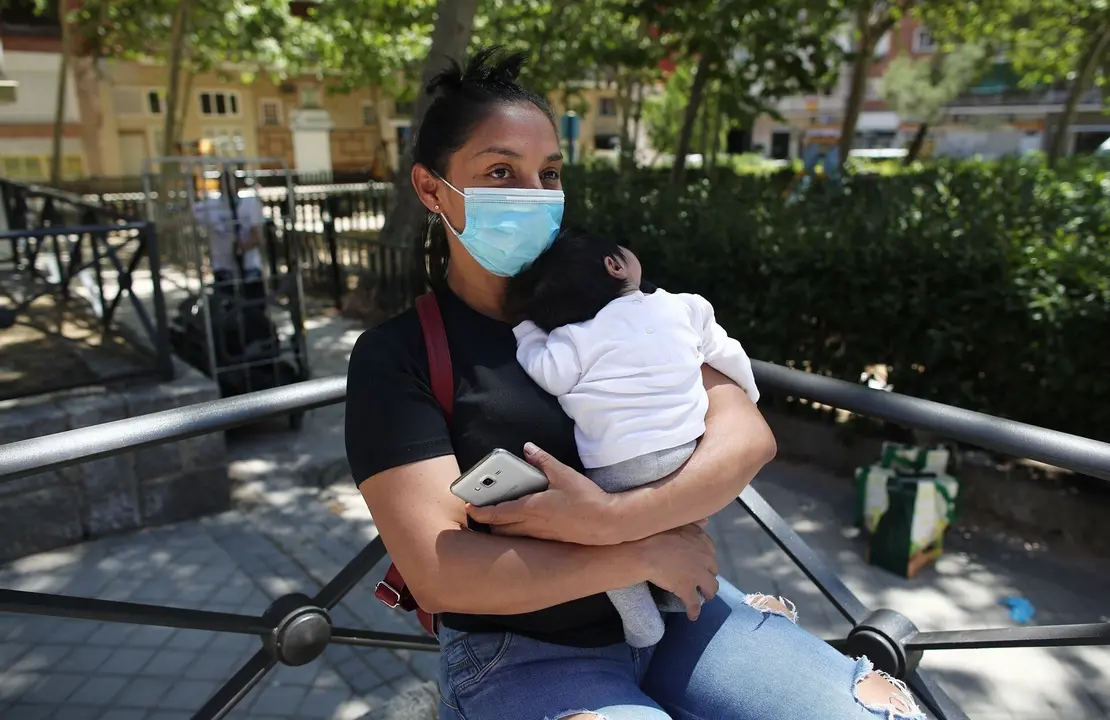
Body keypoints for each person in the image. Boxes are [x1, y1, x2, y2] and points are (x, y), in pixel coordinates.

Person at [344, 46, 925, 720]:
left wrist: (614, 519)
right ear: (430, 188)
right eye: (501, 171)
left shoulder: (609, 290)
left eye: (550, 172)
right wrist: (634, 553)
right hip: (526, 655)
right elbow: (438, 572)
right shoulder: (400, 355)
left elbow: (745, 436)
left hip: (679, 611)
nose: (534, 196)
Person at [505, 228, 761, 648]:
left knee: (600, 544)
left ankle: (641, 620)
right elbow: (727, 353)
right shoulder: (683, 307)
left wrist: (527, 332)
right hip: (687, 452)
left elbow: (548, 373)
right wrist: (750, 394)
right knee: (681, 521)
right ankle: (680, 595)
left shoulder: (575, 336)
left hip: (616, 465)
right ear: (615, 264)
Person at [193, 168, 266, 300]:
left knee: (254, 305)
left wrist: (243, 247)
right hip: (223, 266)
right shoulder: (210, 206)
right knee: (227, 305)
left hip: (249, 266)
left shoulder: (250, 204)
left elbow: (257, 237)